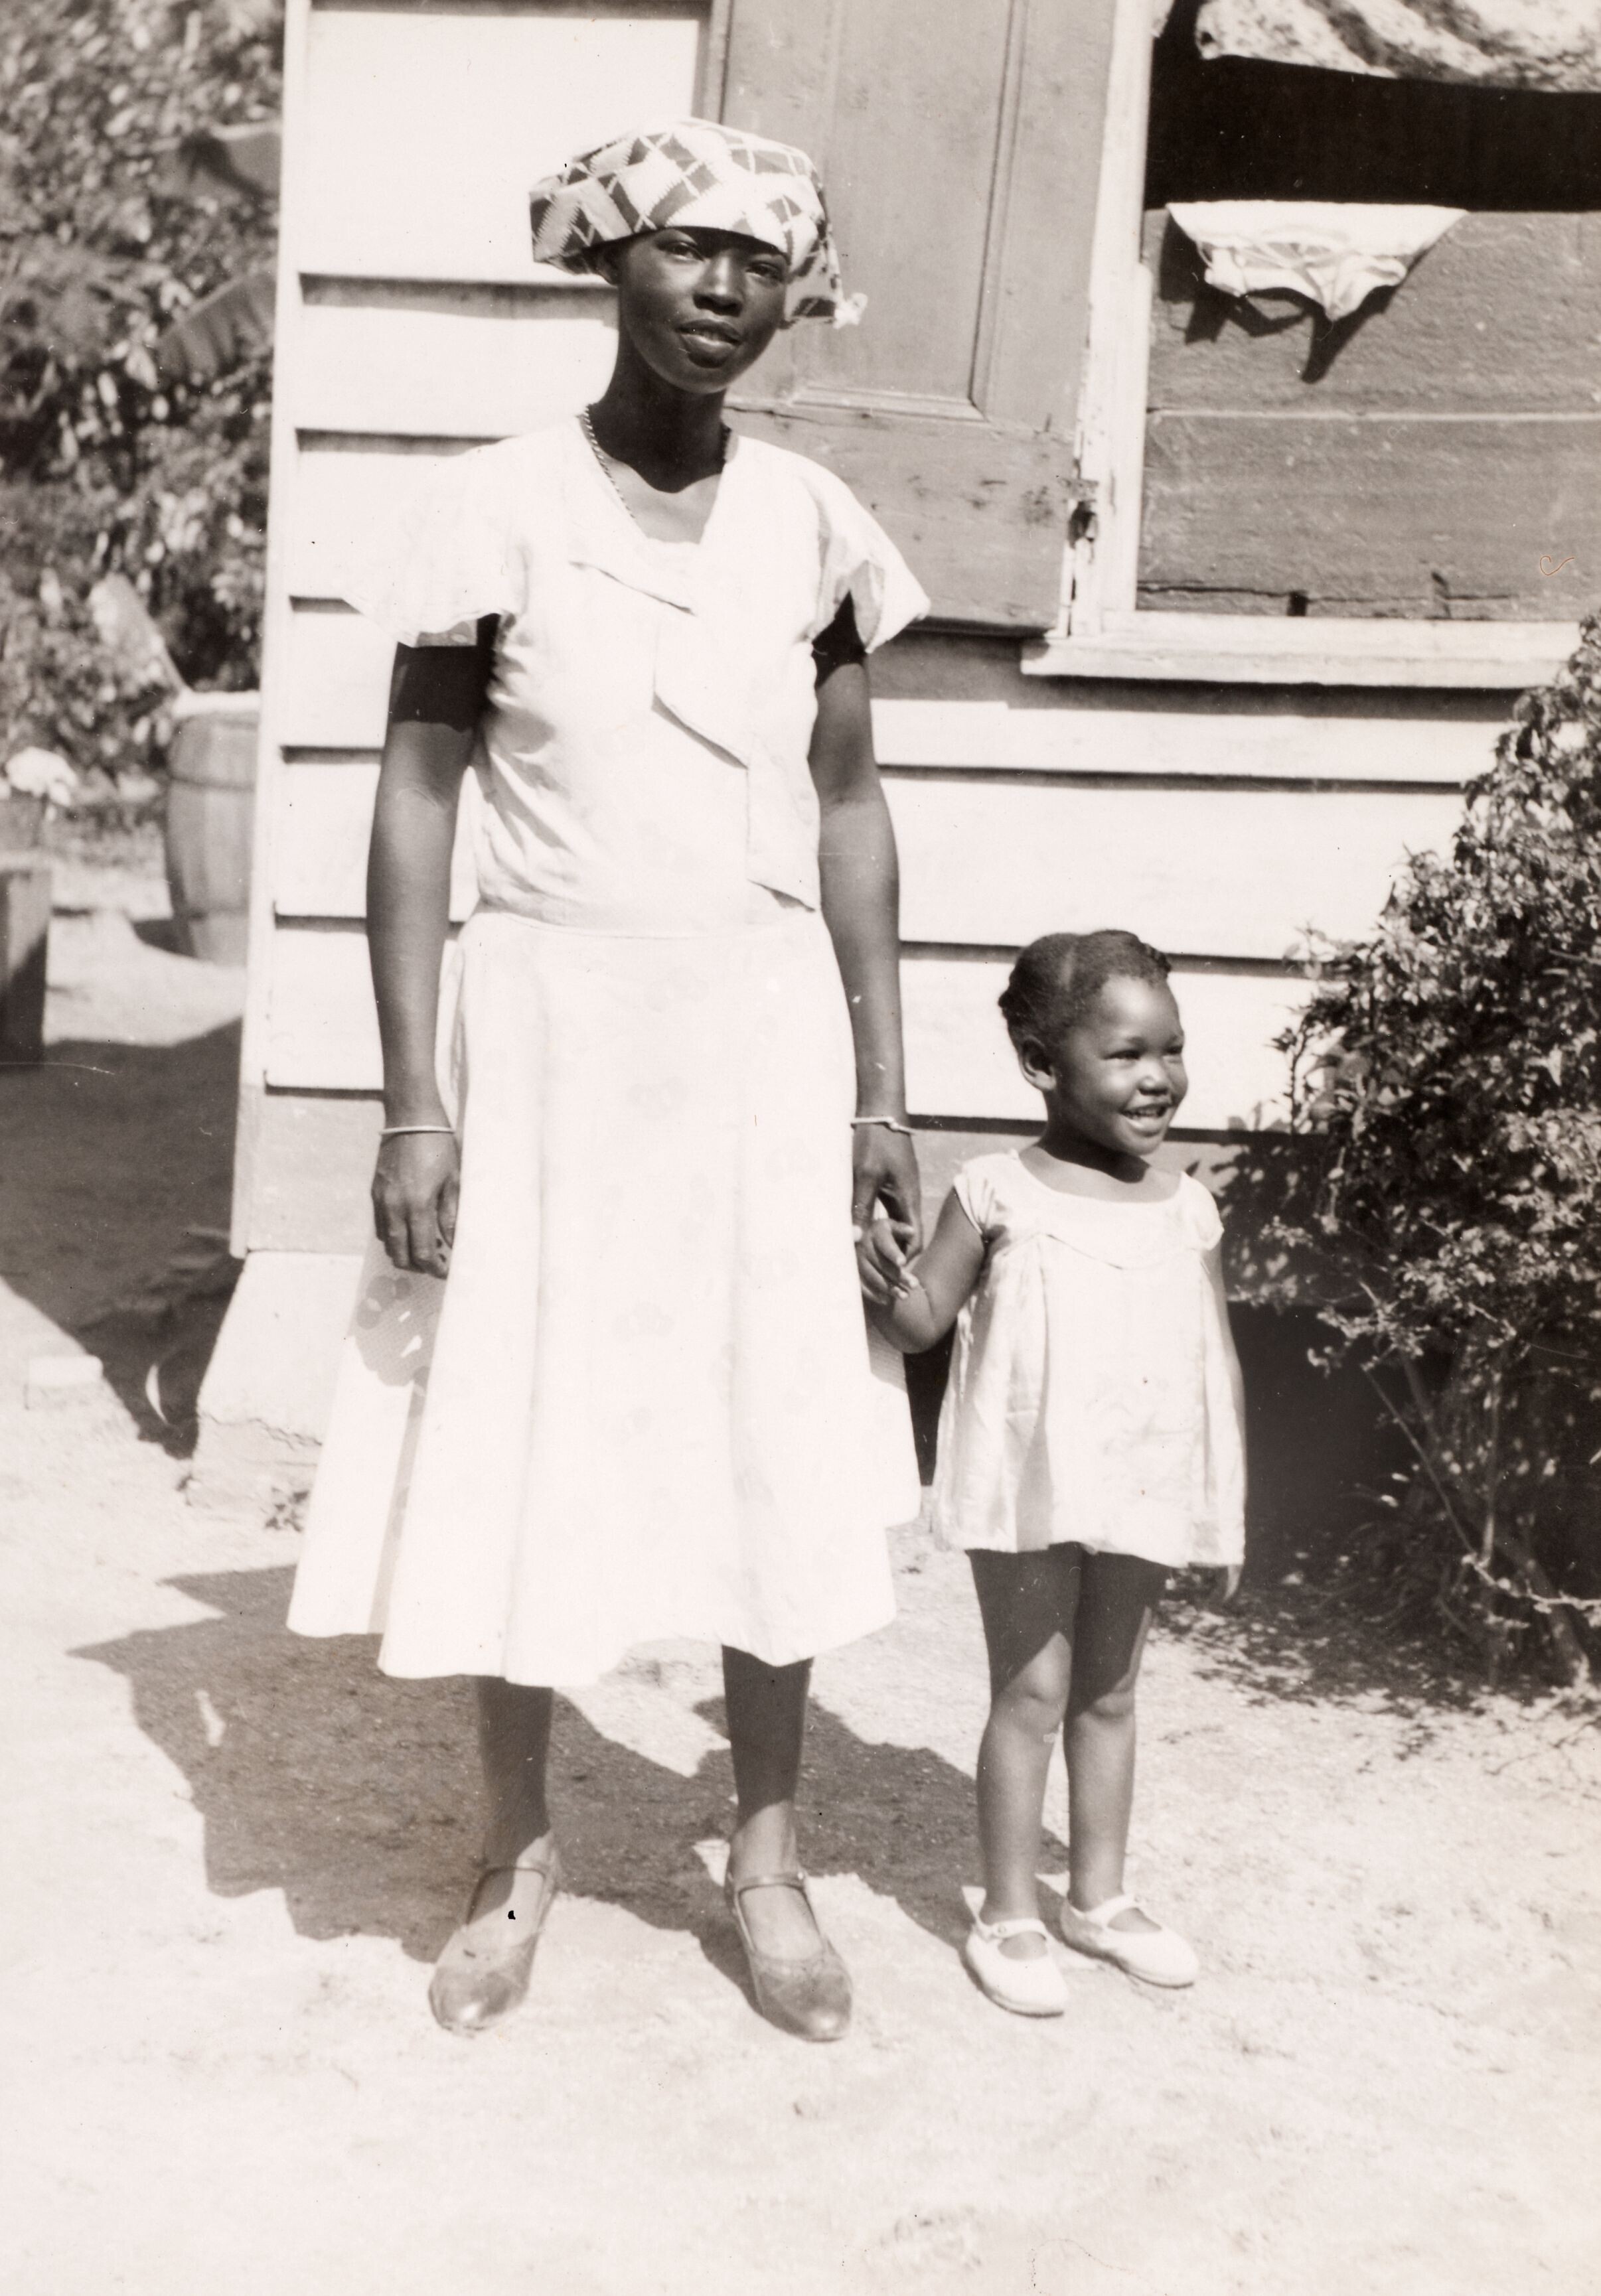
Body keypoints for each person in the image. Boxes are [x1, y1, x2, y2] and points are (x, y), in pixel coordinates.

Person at [285, 119, 929, 2045]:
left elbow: (846, 808)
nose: (724, 288)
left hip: (755, 1037)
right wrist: (413, 1099)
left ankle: (766, 1859)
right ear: (606, 261)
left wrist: (881, 1089)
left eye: (763, 259)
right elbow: (416, 806)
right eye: (685, 247)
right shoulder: (496, 510)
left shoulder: (810, 524)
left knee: (765, 1425)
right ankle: (517, 1849)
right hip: (551, 1034)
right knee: (519, 1420)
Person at [866, 930, 1245, 2017]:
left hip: (1142, 1478)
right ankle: (1006, 1914)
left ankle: (1099, 1898)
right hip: (1028, 1484)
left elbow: (1215, 1361)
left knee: (1112, 1693)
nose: (1159, 1077)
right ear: (1041, 1064)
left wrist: (1226, 1506)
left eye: (1172, 1049)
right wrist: (876, 1271)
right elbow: (923, 1320)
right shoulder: (996, 1190)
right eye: (1126, 1055)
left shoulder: (1187, 1207)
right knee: (1033, 1693)